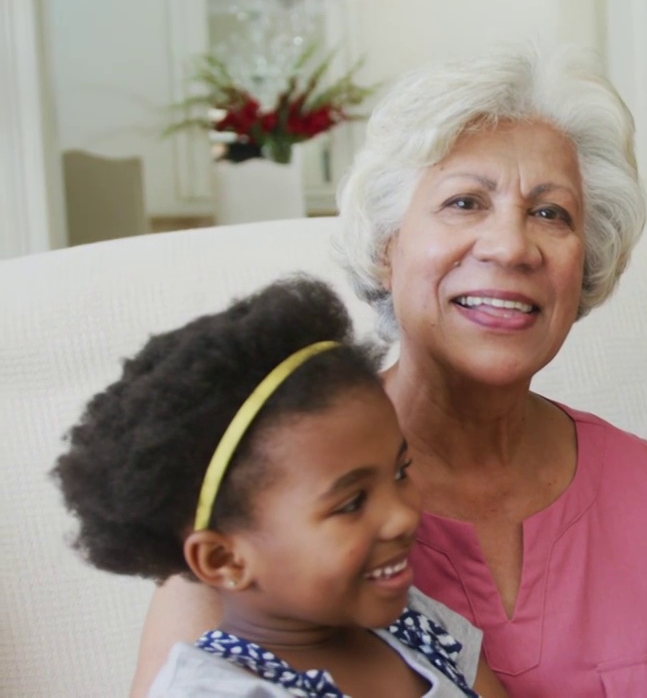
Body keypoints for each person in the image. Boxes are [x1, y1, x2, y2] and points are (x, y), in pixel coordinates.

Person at [131, 45, 647, 697]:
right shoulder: (261, 498)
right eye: (466, 202)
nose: (511, 245)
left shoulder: (638, 485)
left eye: (550, 212)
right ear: (388, 247)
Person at [52, 277, 506, 697]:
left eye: (400, 471)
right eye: (350, 503)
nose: (404, 515)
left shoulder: (416, 623)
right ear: (224, 558)